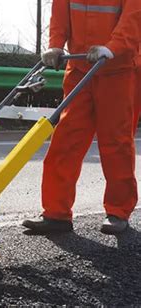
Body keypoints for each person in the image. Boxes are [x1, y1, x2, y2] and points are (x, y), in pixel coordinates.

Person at [23, 0, 140, 235]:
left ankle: (118, 212)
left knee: (116, 143)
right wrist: (55, 45)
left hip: (118, 70)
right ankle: (56, 214)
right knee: (65, 142)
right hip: (79, 69)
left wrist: (113, 47)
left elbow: (134, 18)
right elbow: (60, 15)